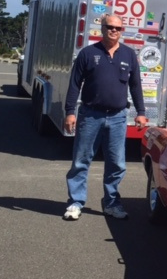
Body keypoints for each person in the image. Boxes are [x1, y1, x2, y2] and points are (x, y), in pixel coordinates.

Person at [63, 15, 147, 221]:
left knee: (117, 163)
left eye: (118, 28)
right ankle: (75, 202)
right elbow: (75, 84)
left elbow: (135, 86)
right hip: (90, 115)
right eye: (109, 27)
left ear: (122, 30)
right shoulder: (88, 54)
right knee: (81, 161)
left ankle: (112, 204)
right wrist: (70, 112)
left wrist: (141, 113)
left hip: (118, 117)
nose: (114, 31)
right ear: (102, 28)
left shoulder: (128, 54)